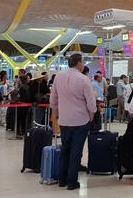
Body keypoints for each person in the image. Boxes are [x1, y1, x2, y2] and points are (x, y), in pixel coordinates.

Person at [50, 54, 97, 191]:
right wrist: (91, 116)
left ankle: (61, 179)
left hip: (64, 120)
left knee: (65, 149)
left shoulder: (58, 77)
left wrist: (55, 114)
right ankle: (72, 182)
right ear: (78, 63)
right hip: (80, 120)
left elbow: (53, 99)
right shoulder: (84, 79)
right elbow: (91, 102)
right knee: (76, 151)